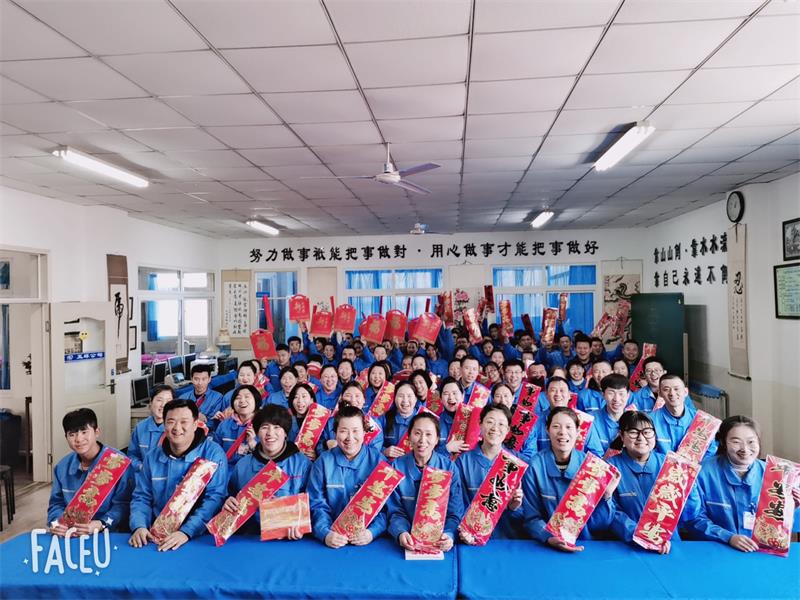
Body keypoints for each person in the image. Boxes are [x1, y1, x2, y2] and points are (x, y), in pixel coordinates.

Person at [687, 415, 800, 551]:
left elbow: (783, 528)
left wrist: (792, 507)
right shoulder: (702, 472)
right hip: (716, 549)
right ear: (723, 442)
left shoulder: (775, 474)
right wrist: (728, 537)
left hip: (759, 550)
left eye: (751, 442)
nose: (745, 449)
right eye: (736, 442)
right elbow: (693, 519)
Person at [129, 399, 228, 551]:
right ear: (164, 425)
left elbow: (214, 499)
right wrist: (139, 526)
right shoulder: (152, 457)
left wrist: (186, 532)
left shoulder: (213, 454)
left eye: (184, 422)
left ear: (195, 424)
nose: (177, 428)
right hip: (157, 537)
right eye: (171, 422)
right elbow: (142, 496)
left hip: (199, 538)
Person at [522, 407, 617, 551]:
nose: (562, 432)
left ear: (578, 431)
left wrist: (607, 495)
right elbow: (531, 517)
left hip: (586, 545)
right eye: (556, 426)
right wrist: (548, 537)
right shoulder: (535, 466)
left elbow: (600, 523)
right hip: (546, 546)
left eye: (568, 427)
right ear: (547, 430)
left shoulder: (592, 467)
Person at [606, 411, 699, 553]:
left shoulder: (671, 465)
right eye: (633, 432)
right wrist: (642, 536)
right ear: (621, 436)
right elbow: (612, 513)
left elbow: (689, 513)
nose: (641, 437)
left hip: (667, 545)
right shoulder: (610, 467)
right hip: (627, 546)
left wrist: (690, 483)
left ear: (655, 436)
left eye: (647, 432)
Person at [307, 405, 388, 548]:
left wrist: (372, 532)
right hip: (332, 541)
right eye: (343, 431)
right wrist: (325, 533)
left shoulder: (379, 462)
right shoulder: (323, 462)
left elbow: (387, 507)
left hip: (368, 542)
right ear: (335, 433)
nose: (350, 438)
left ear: (364, 432)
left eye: (355, 431)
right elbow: (316, 504)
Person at [224, 405, 312, 536]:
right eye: (264, 427)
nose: (270, 433)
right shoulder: (243, 465)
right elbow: (231, 496)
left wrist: (301, 525)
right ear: (257, 433)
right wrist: (227, 502)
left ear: (285, 433)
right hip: (250, 538)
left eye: (277, 427)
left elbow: (313, 505)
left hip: (289, 538)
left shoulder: (302, 464)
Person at [387, 412, 463, 552]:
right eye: (417, 433)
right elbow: (395, 511)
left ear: (437, 439)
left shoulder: (449, 468)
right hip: (407, 542)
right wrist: (401, 532)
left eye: (429, 434)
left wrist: (449, 535)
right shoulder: (396, 467)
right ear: (409, 436)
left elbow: (455, 512)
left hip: (439, 542)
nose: (422, 440)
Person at [48, 408, 132, 535]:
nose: (78, 439)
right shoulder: (62, 467)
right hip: (71, 534)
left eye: (84, 432)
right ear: (66, 437)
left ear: (97, 432)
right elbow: (56, 504)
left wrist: (101, 523)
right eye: (72, 434)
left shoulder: (118, 461)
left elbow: (124, 505)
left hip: (108, 533)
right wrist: (56, 523)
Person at [455, 404, 525, 540]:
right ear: (480, 424)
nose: (495, 428)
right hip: (470, 538)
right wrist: (465, 531)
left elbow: (528, 515)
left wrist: (513, 508)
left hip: (508, 539)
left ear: (508, 430)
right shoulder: (463, 462)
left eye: (501, 424)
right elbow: (457, 506)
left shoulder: (518, 463)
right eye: (490, 422)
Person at [528, 377, 604, 458]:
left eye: (562, 390)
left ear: (570, 395)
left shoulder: (584, 421)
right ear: (546, 395)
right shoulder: (534, 420)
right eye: (553, 390)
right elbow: (531, 454)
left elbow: (596, 454)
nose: (558, 394)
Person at [651, 374, 716, 456]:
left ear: (685, 392)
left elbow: (710, 453)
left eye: (676, 389)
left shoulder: (703, 422)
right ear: (660, 393)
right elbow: (646, 454)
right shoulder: (650, 420)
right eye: (666, 389)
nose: (672, 393)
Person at [319, 382, 384, 453]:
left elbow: (375, 451)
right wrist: (325, 445)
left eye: (357, 396)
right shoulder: (331, 422)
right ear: (341, 398)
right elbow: (319, 447)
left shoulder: (374, 423)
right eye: (348, 395)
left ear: (364, 399)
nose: (353, 400)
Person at [128, 384, 173, 471]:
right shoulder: (140, 427)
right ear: (151, 402)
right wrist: (140, 466)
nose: (163, 405)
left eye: (168, 401)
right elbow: (132, 455)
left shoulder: (177, 429)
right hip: (143, 474)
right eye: (159, 400)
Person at [213, 385, 260, 465]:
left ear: (256, 401)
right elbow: (215, 452)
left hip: (251, 470)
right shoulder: (224, 425)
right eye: (238, 398)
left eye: (247, 397)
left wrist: (253, 445)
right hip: (225, 469)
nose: (242, 401)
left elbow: (268, 458)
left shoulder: (263, 425)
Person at [591, 374, 631, 453]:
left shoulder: (635, 419)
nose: (616, 399)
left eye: (621, 393)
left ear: (628, 395)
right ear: (603, 395)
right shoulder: (591, 419)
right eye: (611, 393)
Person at [381, 381, 420, 460]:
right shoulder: (384, 418)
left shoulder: (424, 418)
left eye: (409, 396)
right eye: (401, 396)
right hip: (391, 464)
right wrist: (384, 451)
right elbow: (373, 444)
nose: (405, 400)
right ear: (394, 398)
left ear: (416, 398)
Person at [178, 364, 224, 429]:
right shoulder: (182, 398)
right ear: (191, 379)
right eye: (196, 379)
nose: (200, 383)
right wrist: (196, 415)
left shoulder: (218, 397)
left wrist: (188, 417)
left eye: (204, 379)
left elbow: (212, 423)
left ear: (209, 379)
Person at [436, 377, 470, 457]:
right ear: (440, 399)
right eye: (446, 394)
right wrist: (447, 448)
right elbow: (427, 454)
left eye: (454, 393)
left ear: (462, 396)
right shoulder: (435, 423)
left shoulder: (474, 419)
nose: (451, 397)